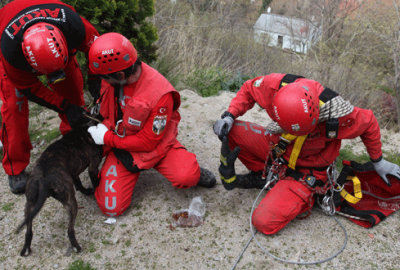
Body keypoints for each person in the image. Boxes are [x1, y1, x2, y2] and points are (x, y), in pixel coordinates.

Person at [213, 73, 400, 235]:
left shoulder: (337, 113)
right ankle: (262, 175)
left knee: (264, 222)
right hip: (277, 147)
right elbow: (248, 88)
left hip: (309, 169)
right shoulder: (274, 86)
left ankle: (305, 195)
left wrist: (378, 161)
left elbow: (369, 122)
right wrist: (230, 115)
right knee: (231, 131)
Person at [86, 33, 216, 217]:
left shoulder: (159, 94)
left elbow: (148, 142)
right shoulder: (114, 77)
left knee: (187, 175)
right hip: (121, 143)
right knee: (111, 208)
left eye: (106, 78)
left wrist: (107, 138)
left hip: (154, 145)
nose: (103, 81)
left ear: (120, 74)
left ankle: (193, 169)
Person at [0, 0, 100, 194]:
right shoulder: (10, 52)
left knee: (73, 94)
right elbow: (30, 88)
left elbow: (97, 49)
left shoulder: (74, 25)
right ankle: (15, 167)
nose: (53, 80)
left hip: (61, 49)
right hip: (13, 46)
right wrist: (63, 106)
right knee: (14, 107)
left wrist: (95, 77)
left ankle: (73, 142)